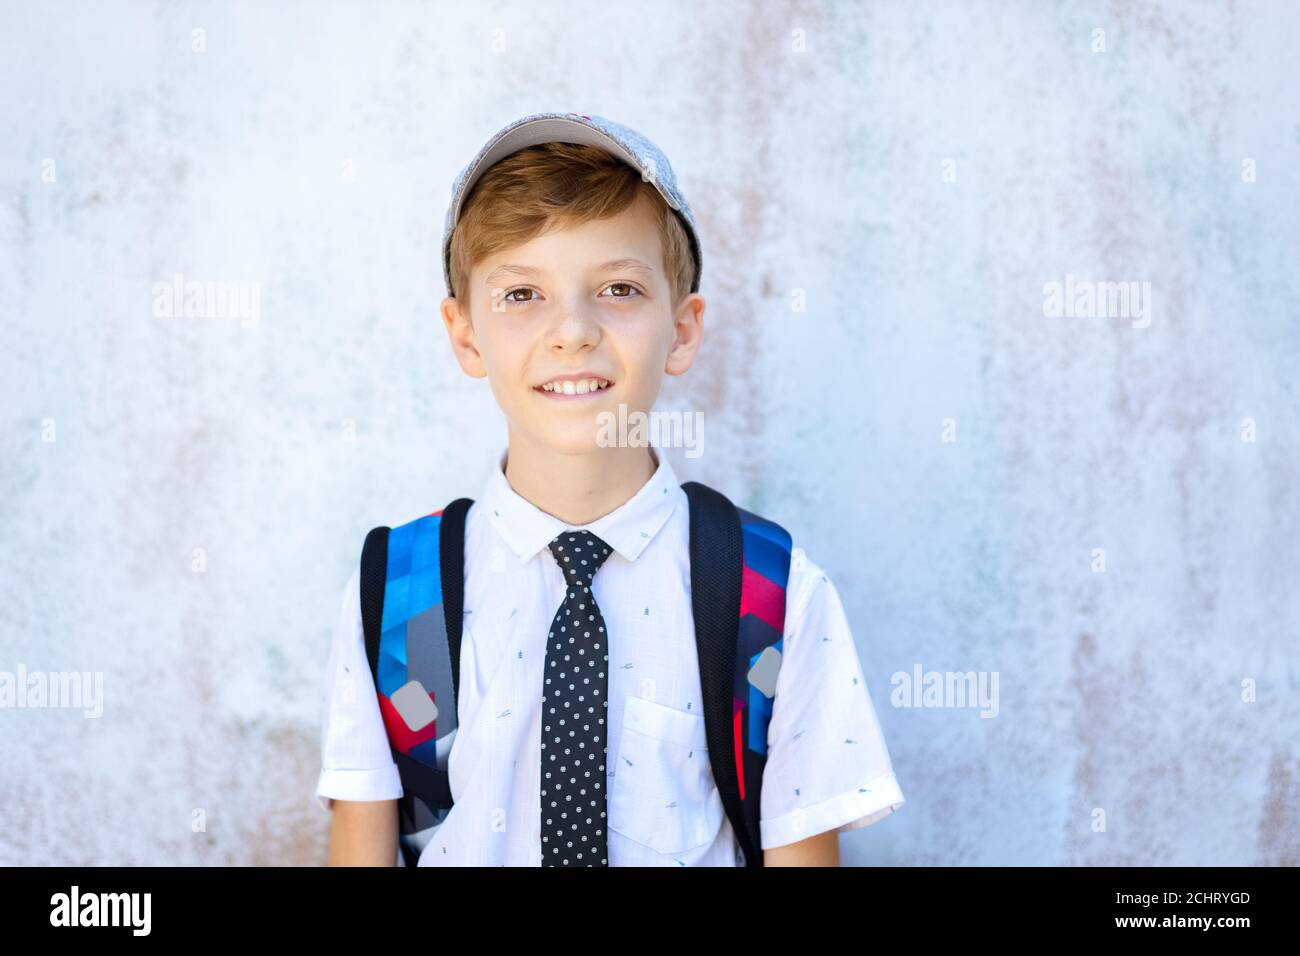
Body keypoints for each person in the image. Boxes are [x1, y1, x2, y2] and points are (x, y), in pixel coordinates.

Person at [314, 112, 904, 866]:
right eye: (522, 295)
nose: (573, 331)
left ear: (683, 331)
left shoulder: (775, 594)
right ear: (465, 336)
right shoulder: (395, 589)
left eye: (619, 288)